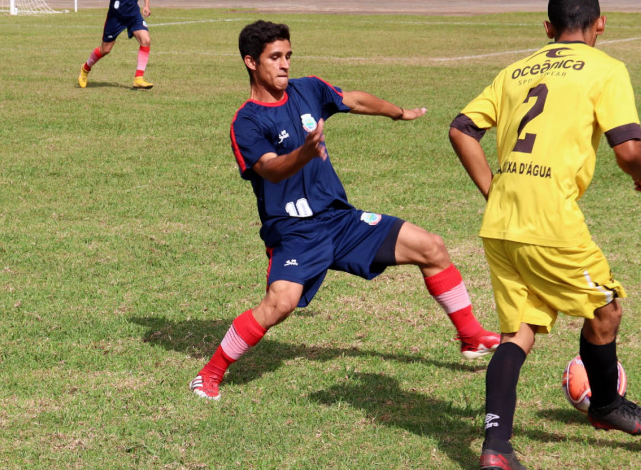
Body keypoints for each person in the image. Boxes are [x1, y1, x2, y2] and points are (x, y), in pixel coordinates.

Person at [189, 20, 500, 401]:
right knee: (279, 304)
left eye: (288, 55)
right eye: (275, 58)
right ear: (251, 62)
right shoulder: (247, 121)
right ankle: (209, 373)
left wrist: (397, 112)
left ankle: (470, 336)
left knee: (431, 247)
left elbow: (353, 99)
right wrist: (303, 153)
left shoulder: (309, 89)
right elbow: (269, 169)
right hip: (294, 232)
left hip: (340, 220)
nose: (285, 64)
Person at [449, 0, 641, 470]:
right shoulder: (606, 68)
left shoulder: (514, 70)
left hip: (501, 221)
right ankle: (607, 405)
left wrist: (493, 190)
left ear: (547, 30)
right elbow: (628, 151)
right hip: (550, 221)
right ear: (600, 24)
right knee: (606, 308)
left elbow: (461, 128)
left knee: (517, 333)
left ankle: (496, 447)